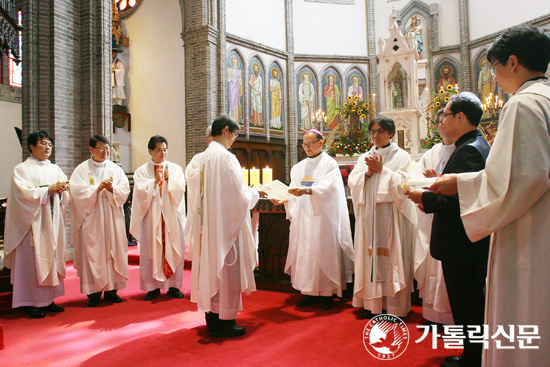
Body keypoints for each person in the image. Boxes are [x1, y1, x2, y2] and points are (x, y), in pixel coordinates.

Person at [428, 26, 550, 367]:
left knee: (527, 308)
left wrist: (461, 185)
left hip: (532, 230)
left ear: (512, 62)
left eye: (494, 68)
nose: (494, 78)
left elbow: (523, 179)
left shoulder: (524, 105)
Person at [406, 92, 491, 367]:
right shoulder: (474, 144)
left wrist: (424, 198)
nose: (442, 120)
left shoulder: (468, 149)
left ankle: (472, 359)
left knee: (468, 305)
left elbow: (461, 198)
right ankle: (472, 354)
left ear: (461, 117)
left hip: (461, 245)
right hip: (465, 243)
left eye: (445, 115)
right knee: (469, 303)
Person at [188, 114, 264, 337]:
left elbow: (194, 184)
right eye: (235, 134)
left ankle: (212, 320)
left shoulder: (200, 158)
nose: (234, 139)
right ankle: (226, 322)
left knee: (210, 268)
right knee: (227, 270)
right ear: (226, 130)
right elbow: (237, 195)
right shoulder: (226, 157)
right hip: (224, 227)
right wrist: (256, 192)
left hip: (207, 226)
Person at [272, 130, 354, 311]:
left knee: (323, 253)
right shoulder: (298, 167)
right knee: (306, 254)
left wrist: (307, 191)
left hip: (322, 217)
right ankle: (308, 292)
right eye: (304, 145)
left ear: (321, 142)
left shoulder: (329, 164)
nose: (307, 148)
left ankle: (326, 295)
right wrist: (283, 199)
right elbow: (293, 191)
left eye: (310, 144)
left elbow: (328, 188)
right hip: (303, 217)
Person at [349, 116, 416, 319]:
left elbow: (405, 184)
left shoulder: (402, 156)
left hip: (392, 215)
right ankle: (372, 306)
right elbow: (354, 182)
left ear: (391, 133)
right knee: (370, 258)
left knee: (392, 257)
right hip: (370, 213)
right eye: (373, 131)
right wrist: (367, 174)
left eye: (380, 131)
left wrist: (382, 171)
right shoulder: (364, 157)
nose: (376, 135)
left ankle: (395, 307)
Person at [3, 131, 69, 319]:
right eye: (43, 144)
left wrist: (62, 191)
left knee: (50, 257)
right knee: (32, 262)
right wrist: (48, 190)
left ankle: (49, 300)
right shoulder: (22, 169)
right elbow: (22, 195)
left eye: (49, 144)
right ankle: (30, 302)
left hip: (50, 221)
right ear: (32, 146)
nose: (47, 147)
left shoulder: (55, 169)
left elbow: (64, 191)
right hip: (32, 225)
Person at [70, 135, 130, 307]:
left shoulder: (115, 169)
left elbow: (124, 190)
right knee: (93, 252)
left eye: (107, 148)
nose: (105, 151)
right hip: (92, 219)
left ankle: (112, 291)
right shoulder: (81, 170)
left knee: (113, 251)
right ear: (91, 149)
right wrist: (97, 188)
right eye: (101, 148)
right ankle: (93, 293)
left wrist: (111, 188)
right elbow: (76, 192)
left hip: (112, 217)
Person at [411, 110, 455, 327]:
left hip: (450, 216)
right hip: (430, 217)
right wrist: (425, 188)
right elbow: (414, 180)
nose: (442, 125)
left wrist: (436, 181)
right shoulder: (431, 153)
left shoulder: (464, 151)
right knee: (431, 263)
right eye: (439, 122)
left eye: (445, 120)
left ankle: (453, 317)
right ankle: (432, 315)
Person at [130, 135, 186, 301]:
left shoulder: (175, 169)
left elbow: (181, 188)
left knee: (173, 247)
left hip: (170, 216)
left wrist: (169, 179)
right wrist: (154, 182)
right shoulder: (142, 170)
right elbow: (139, 193)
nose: (163, 153)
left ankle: (174, 286)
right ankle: (152, 287)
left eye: (165, 149)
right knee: (151, 251)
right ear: (150, 151)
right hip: (152, 217)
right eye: (159, 149)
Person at [184, 126, 213, 253]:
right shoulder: (198, 158)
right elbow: (190, 176)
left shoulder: (227, 158)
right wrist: (208, 172)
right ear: (207, 139)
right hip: (204, 206)